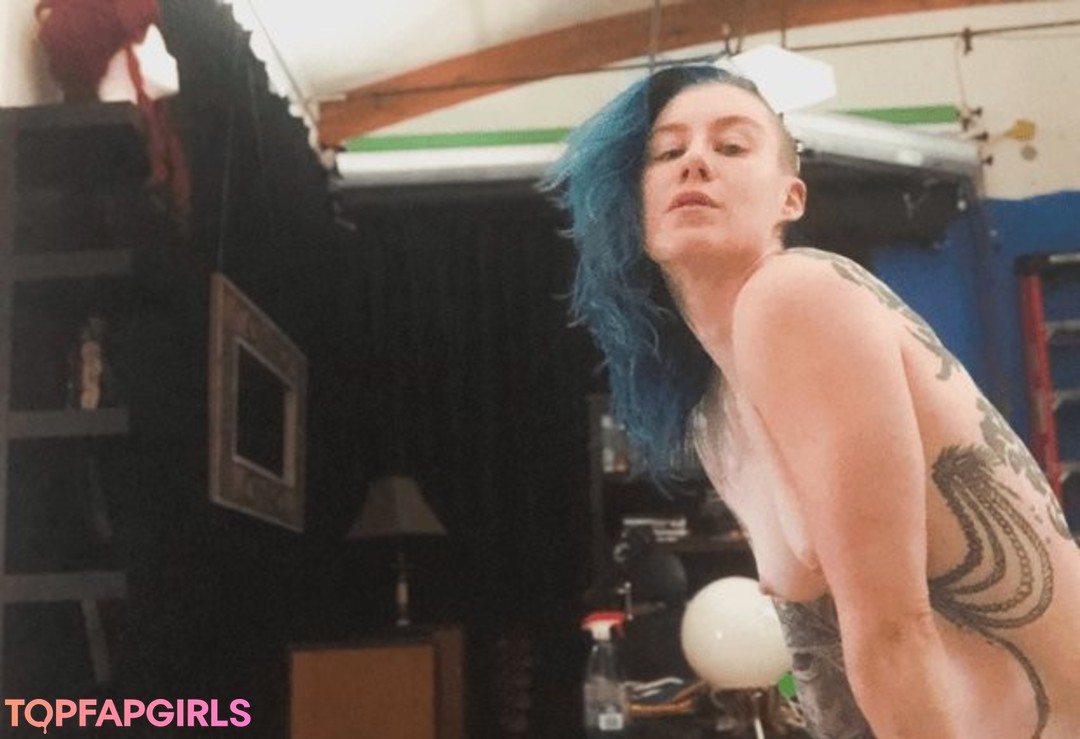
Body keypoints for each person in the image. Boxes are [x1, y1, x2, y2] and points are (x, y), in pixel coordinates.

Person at [542, 64, 1080, 739]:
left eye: (732, 146)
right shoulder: (711, 410)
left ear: (790, 198)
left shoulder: (796, 295)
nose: (696, 162)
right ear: (634, 202)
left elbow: (894, 627)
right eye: (667, 151)